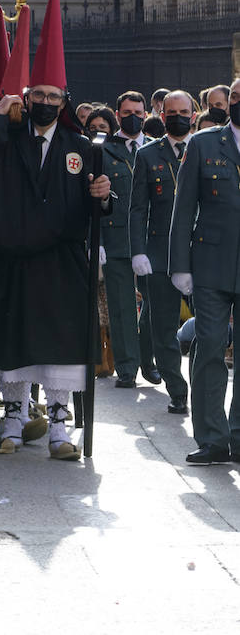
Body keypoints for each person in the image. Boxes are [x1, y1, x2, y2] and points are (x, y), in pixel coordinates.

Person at [0, 0, 111, 461]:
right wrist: (0, 117)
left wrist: (103, 198)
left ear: (65, 100)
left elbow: (96, 204)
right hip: (11, 258)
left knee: (60, 348)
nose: (45, 102)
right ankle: (15, 419)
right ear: (27, 96)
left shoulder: (81, 149)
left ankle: (61, 429)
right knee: (15, 343)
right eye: (37, 93)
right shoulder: (7, 139)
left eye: (53, 95)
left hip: (60, 262)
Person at [169, 76, 240, 465]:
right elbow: (184, 210)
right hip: (210, 265)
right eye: (235, 97)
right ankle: (213, 437)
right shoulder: (203, 144)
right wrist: (180, 266)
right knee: (210, 346)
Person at [129, 90, 194, 416]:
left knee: (209, 329)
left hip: (202, 253)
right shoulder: (148, 154)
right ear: (162, 115)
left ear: (193, 115)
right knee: (163, 328)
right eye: (172, 112)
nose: (178, 117)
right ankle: (177, 390)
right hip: (159, 252)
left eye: (184, 111)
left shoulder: (206, 149)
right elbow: (138, 208)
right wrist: (138, 251)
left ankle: (205, 386)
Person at [98, 91, 147, 389]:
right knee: (121, 307)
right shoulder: (104, 151)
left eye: (139, 112)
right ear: (117, 115)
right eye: (127, 112)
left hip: (151, 240)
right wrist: (99, 241)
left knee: (157, 308)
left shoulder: (156, 150)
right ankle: (128, 368)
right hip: (115, 239)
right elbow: (96, 201)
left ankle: (151, 360)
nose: (133, 117)